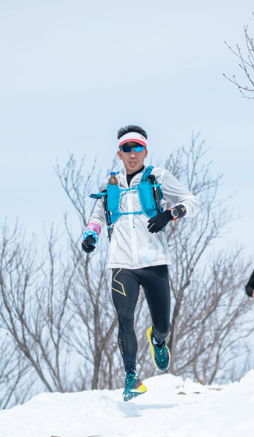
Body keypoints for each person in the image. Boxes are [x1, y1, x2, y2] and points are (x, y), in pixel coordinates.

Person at [81, 125, 200, 401]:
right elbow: (97, 218)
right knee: (124, 317)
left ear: (145, 151)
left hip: (154, 261)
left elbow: (192, 202)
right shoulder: (111, 184)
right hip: (122, 263)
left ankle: (158, 340)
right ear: (119, 153)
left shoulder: (158, 177)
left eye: (137, 148)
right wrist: (90, 236)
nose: (132, 153)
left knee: (162, 325)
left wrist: (170, 214)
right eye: (126, 148)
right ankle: (131, 376)